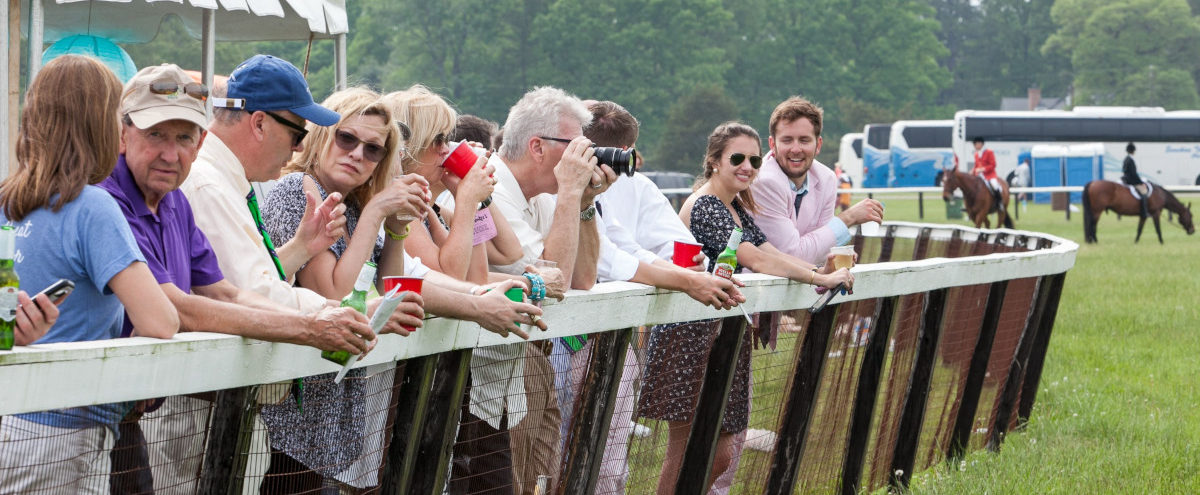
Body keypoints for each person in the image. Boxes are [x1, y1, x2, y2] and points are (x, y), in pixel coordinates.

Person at [99, 63, 399, 494]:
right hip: (134, 418)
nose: (172, 153)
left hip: (164, 414)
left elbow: (225, 290)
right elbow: (175, 309)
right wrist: (317, 322)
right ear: (125, 133)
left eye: (185, 137)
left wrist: (324, 307)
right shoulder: (196, 186)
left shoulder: (177, 197)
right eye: (155, 134)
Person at [0, 54, 180, 494]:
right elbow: (161, 321)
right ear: (104, 125)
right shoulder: (94, 207)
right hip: (64, 432)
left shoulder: (7, 201)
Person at [639, 122, 851, 494]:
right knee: (686, 450)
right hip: (687, 336)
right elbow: (754, 258)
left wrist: (820, 274)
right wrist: (821, 277)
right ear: (714, 161)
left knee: (719, 456)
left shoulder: (735, 205)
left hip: (723, 334)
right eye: (737, 158)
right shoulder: (705, 205)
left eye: (754, 159)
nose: (748, 166)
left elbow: (770, 252)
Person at [546, 100, 745, 494]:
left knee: (605, 463)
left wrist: (683, 273)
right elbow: (609, 258)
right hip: (562, 339)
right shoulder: (560, 185)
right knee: (554, 458)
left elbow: (635, 246)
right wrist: (686, 280)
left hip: (612, 338)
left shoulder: (625, 187)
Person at [455, 86, 613, 495]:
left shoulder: (546, 196)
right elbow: (553, 278)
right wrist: (572, 192)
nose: (585, 156)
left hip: (528, 358)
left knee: (539, 477)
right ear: (537, 146)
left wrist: (583, 202)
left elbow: (581, 280)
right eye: (576, 145)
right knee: (505, 482)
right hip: (479, 372)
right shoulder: (492, 186)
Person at [750, 97, 883, 265]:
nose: (796, 149)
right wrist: (848, 217)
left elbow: (823, 250)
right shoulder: (764, 182)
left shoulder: (826, 178)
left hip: (805, 283)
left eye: (804, 140)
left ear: (818, 145)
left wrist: (833, 255)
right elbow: (792, 257)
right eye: (787, 140)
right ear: (772, 144)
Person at [972, 136, 1003, 209]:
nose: (975, 146)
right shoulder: (976, 154)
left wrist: (983, 169)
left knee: (995, 185)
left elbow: (993, 165)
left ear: (980, 144)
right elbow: (976, 166)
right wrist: (972, 171)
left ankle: (999, 202)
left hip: (990, 175)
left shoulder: (989, 152)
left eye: (976, 144)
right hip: (979, 176)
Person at [1122, 142, 1149, 217]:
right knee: (1144, 192)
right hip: (1131, 181)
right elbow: (1134, 174)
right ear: (1133, 151)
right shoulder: (1131, 160)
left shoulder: (1126, 159)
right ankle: (1144, 212)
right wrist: (1140, 182)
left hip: (1126, 179)